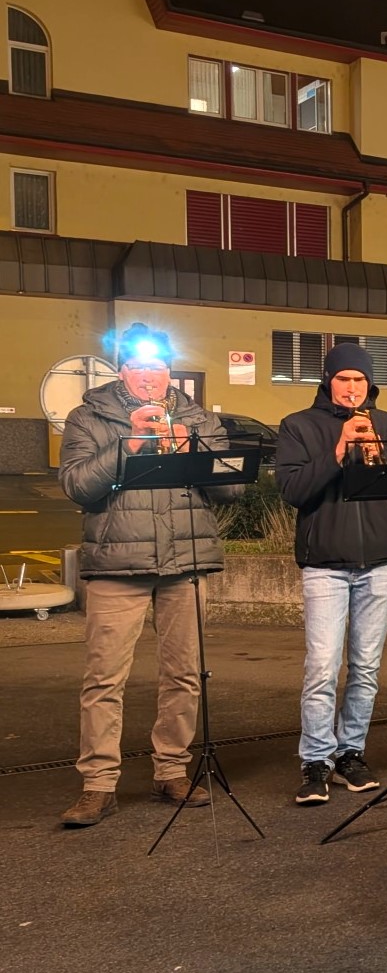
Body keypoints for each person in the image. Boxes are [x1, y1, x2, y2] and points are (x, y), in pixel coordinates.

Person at [56, 324, 243, 828]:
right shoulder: (87, 416)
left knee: (183, 674)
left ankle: (172, 770)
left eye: (158, 367)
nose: (150, 377)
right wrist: (131, 443)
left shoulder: (197, 416)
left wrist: (196, 451)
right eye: (139, 368)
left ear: (168, 372)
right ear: (123, 372)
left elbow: (230, 490)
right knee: (103, 679)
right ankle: (98, 785)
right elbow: (77, 485)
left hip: (186, 563)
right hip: (117, 565)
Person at [274, 343, 387, 807]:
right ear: (328, 380)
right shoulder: (298, 425)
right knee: (322, 667)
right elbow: (292, 490)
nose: (352, 388)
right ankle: (316, 759)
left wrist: (380, 457)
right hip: (325, 565)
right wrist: (336, 451)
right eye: (343, 378)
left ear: (370, 385)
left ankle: (352, 751)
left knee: (366, 667)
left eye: (359, 380)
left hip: (379, 562)